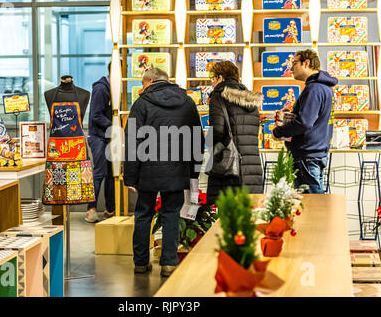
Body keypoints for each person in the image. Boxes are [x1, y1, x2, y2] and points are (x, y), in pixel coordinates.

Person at [124, 68, 204, 277]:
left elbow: (132, 141)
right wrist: (193, 171)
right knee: (171, 214)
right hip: (177, 170)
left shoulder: (142, 103)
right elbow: (198, 138)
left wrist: (130, 176)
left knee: (143, 215)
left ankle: (140, 262)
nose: (142, 88)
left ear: (149, 81)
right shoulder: (187, 102)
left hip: (147, 170)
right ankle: (169, 263)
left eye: (143, 83)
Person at [272, 49, 338, 194]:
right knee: (315, 204)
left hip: (306, 156)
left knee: (310, 207)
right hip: (315, 154)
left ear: (306, 63)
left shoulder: (314, 89)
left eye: (294, 63)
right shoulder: (325, 88)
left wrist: (278, 131)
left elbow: (305, 123)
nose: (291, 68)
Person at [206, 61, 264, 206]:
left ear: (220, 78)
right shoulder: (251, 100)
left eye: (213, 79)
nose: (212, 83)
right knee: (247, 218)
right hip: (252, 167)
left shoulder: (218, 96)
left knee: (225, 220)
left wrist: (209, 142)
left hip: (228, 169)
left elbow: (217, 131)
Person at [85, 63, 115, 223]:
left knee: (111, 174)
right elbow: (96, 115)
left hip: (110, 137)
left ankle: (110, 209)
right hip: (98, 137)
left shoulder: (115, 88)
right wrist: (115, 125)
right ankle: (91, 208)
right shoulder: (101, 88)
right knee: (99, 173)